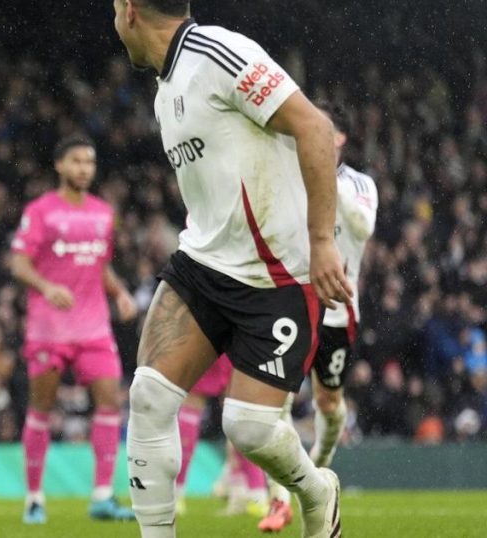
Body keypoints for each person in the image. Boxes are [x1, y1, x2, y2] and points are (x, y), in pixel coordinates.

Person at [111, 1, 352, 537]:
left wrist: (321, 241)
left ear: (128, 10)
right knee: (148, 397)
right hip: (204, 265)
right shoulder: (165, 88)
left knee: (248, 428)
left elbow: (315, 127)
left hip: (278, 277)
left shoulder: (219, 53)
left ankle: (317, 491)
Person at [260, 102, 378, 532]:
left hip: (338, 311)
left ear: (338, 137)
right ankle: (278, 499)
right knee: (271, 402)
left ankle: (319, 466)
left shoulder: (359, 183)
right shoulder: (288, 176)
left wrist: (324, 176)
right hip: (289, 303)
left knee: (328, 401)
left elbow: (363, 228)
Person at [9, 136, 139, 524]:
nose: (84, 168)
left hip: (94, 328)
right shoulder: (41, 211)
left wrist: (120, 293)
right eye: (77, 161)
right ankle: (34, 498)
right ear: (60, 165)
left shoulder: (104, 213)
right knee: (42, 408)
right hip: (49, 329)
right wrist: (47, 286)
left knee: (110, 403)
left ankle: (102, 496)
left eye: (89, 162)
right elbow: (18, 263)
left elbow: (99, 265)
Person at [174, 355, 269, 518]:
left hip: (208, 343)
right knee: (239, 409)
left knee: (193, 403)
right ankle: (256, 495)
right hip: (240, 343)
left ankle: (175, 495)